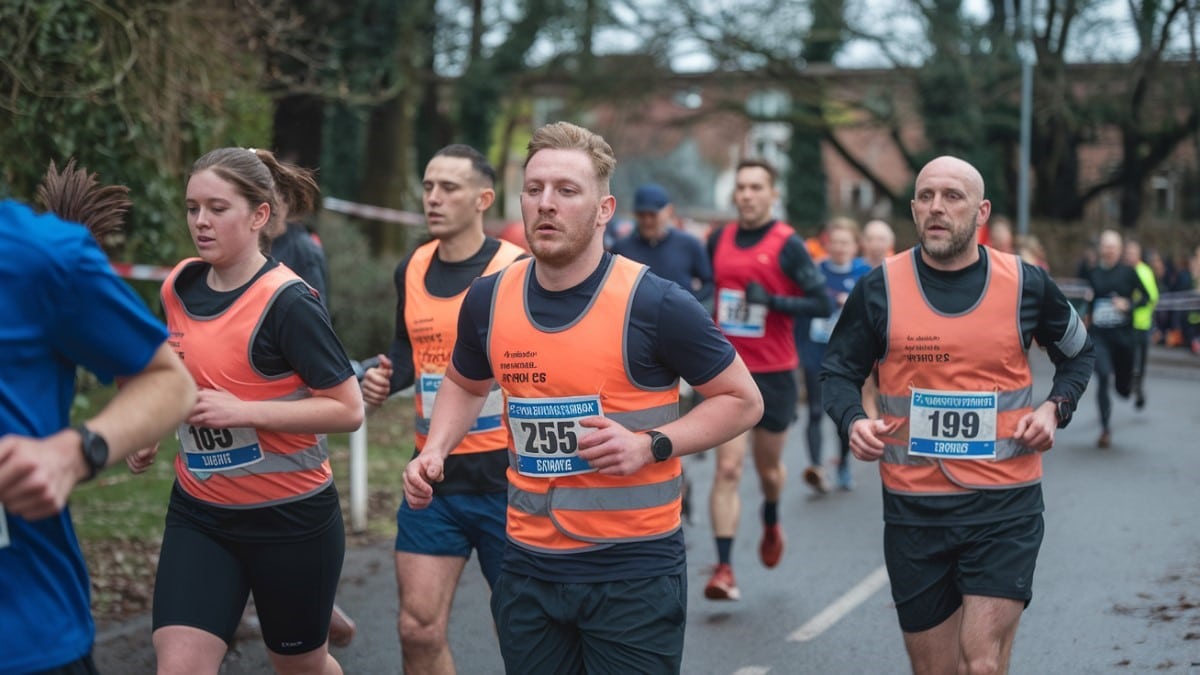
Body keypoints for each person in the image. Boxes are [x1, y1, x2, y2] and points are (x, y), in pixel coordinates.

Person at [403, 121, 763, 674]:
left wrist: (651, 444)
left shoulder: (656, 302)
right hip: (528, 568)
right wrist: (437, 449)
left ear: (603, 209)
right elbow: (464, 382)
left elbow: (742, 400)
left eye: (567, 191)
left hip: (632, 574)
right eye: (534, 189)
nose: (546, 204)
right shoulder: (489, 299)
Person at [820, 155, 1094, 674]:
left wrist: (1055, 409)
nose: (936, 208)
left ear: (982, 210)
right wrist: (853, 420)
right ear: (913, 208)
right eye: (926, 197)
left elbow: (1079, 353)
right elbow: (836, 372)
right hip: (914, 511)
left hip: (1004, 505)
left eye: (952, 196)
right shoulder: (878, 288)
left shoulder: (1026, 284)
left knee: (982, 663)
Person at [143, 147, 364, 675]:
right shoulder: (178, 286)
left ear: (259, 215)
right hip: (201, 515)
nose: (201, 221)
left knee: (301, 667)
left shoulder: (288, 302)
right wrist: (148, 424)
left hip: (290, 521)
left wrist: (245, 411)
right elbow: (163, 372)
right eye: (192, 207)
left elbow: (347, 408)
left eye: (217, 208)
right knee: (178, 667)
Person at [1, 184, 197, 674]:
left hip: (23, 635)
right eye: (194, 208)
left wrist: (79, 450)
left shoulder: (36, 255)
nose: (202, 221)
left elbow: (169, 383)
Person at [358, 144, 524, 673]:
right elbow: (410, 354)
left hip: (509, 482)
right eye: (428, 186)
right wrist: (385, 378)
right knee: (417, 629)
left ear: (483, 198)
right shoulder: (411, 267)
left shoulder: (514, 269)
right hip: (434, 479)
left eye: (448, 188)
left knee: (522, 636)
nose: (433, 198)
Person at [704, 158, 831, 600]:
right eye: (741, 187)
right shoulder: (719, 239)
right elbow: (708, 291)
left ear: (772, 194)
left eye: (757, 187)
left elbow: (820, 303)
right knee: (728, 468)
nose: (747, 195)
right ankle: (723, 569)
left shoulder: (788, 244)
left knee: (769, 473)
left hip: (775, 375)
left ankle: (772, 518)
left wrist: (773, 301)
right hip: (726, 373)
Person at [795, 217, 871, 492]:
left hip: (848, 357)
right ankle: (816, 469)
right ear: (827, 243)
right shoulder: (815, 272)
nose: (839, 247)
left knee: (842, 413)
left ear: (855, 245)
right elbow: (801, 309)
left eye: (845, 242)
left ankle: (843, 466)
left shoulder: (865, 273)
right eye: (835, 242)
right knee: (815, 411)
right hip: (815, 351)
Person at [1083, 229, 1150, 447]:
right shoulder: (1093, 273)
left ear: (1119, 249)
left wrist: (1128, 305)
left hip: (1123, 339)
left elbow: (1146, 298)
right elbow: (1090, 303)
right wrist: (1086, 318)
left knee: (1122, 390)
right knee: (1102, 377)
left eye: (1113, 246)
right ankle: (1105, 429)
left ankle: (1132, 384)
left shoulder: (1129, 272)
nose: (1109, 249)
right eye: (1106, 245)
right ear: (1100, 248)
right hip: (1099, 336)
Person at [612, 183, 713, 306]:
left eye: (652, 214)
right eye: (642, 215)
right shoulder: (622, 248)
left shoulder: (689, 245)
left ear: (669, 211)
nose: (647, 221)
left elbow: (708, 283)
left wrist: (689, 304)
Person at [1122, 239, 1159, 409]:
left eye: (1132, 253)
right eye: (1127, 253)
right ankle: (1130, 385)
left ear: (1138, 254)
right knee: (1127, 358)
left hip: (1141, 324)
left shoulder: (1144, 271)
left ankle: (1138, 390)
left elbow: (1152, 297)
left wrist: (1132, 306)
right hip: (1126, 324)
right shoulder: (1124, 270)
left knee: (1139, 360)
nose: (1129, 256)